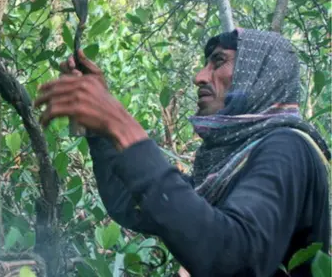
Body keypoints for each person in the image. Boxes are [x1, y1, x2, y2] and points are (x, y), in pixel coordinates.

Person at [34, 28, 331, 277]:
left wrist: (122, 124)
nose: (200, 76)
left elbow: (233, 257)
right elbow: (134, 203)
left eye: (218, 61)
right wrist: (101, 129)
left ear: (260, 73)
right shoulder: (234, 164)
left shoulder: (287, 148)